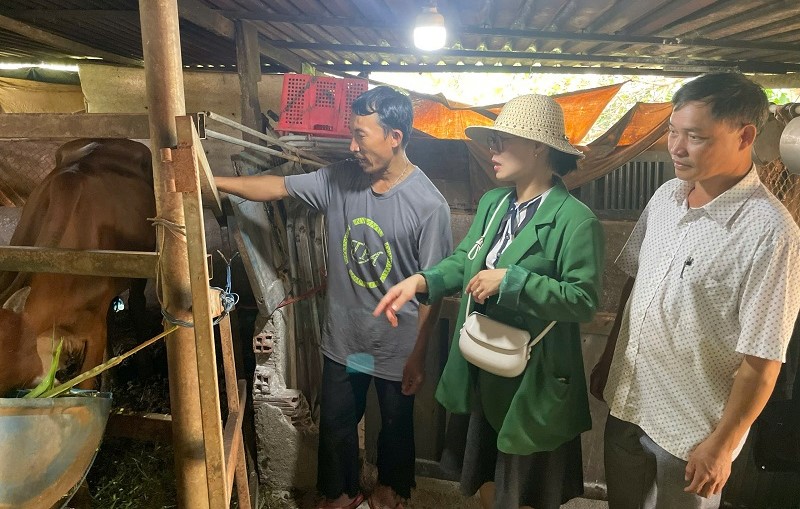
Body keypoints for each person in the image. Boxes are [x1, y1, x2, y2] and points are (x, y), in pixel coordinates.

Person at [215, 86, 453, 509]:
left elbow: (434, 286)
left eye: (361, 135)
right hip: (346, 341)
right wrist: (213, 180)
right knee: (338, 422)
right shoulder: (340, 178)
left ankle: (389, 493)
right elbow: (277, 186)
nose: (352, 145)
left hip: (396, 346)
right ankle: (341, 494)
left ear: (394, 136)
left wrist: (419, 354)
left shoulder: (428, 205)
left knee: (396, 425)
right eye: (352, 134)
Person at [374, 94, 605, 509]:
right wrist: (422, 280)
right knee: (482, 475)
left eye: (503, 141)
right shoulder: (493, 204)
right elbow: (465, 259)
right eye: (492, 141)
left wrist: (513, 281)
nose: (492, 151)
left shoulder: (575, 220)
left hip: (529, 381)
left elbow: (583, 300)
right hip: (483, 366)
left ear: (538, 146)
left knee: (525, 489)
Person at [590, 72, 800, 509]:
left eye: (695, 136)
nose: (676, 147)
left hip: (692, 431)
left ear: (745, 136)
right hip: (628, 401)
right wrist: (610, 357)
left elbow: (763, 360)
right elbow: (635, 280)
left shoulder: (771, 231)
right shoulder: (666, 196)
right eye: (672, 131)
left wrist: (722, 447)